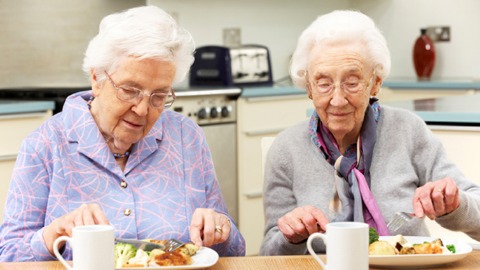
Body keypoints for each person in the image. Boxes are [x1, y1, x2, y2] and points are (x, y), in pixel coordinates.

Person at [0, 5, 245, 262]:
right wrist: (52, 235)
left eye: (159, 96)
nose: (142, 109)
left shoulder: (187, 138)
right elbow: (9, 255)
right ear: (97, 78)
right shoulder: (45, 145)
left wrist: (220, 229)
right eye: (130, 90)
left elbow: (234, 251)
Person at [260, 10, 480, 256]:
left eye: (352, 82)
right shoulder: (286, 150)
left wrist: (453, 204)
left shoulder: (408, 130)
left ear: (375, 82)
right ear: (309, 87)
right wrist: (292, 237)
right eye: (323, 84)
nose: (338, 99)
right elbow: (270, 254)